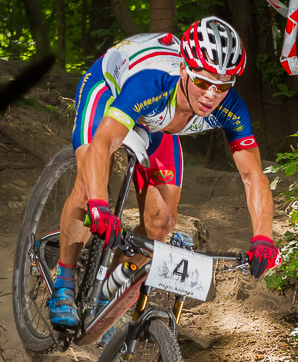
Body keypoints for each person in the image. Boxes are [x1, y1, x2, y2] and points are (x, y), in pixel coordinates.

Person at [49, 17, 280, 328]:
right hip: (111, 90)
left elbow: (253, 175)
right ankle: (63, 282)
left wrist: (263, 237)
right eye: (202, 82)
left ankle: (105, 295)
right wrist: (99, 205)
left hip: (159, 120)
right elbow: (102, 144)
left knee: (162, 223)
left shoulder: (231, 107)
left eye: (223, 85)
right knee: (87, 184)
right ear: (185, 69)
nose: (211, 95)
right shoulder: (153, 81)